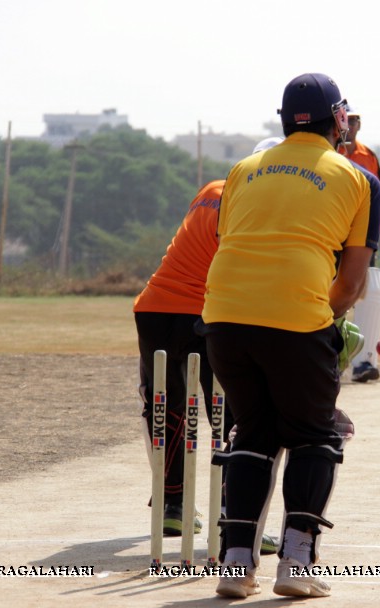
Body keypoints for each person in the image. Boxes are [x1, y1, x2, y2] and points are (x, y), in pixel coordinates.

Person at [202, 73, 380, 599]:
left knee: (253, 434)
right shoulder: (358, 178)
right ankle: (297, 563)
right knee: (315, 435)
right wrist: (325, 322)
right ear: (339, 120)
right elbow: (351, 283)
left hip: (224, 317)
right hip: (296, 318)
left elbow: (234, 245)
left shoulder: (241, 170)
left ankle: (237, 567)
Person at [132, 137, 284, 555]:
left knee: (165, 406)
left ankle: (174, 504)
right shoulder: (257, 204)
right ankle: (234, 518)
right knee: (236, 412)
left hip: (156, 307)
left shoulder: (211, 189)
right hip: (209, 312)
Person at [338, 104, 380, 383]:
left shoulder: (368, 157)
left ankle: (364, 362)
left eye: (353, 121)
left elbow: (376, 202)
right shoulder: (328, 152)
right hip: (333, 233)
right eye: (344, 121)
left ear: (359, 124)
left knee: (371, 290)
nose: (348, 126)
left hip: (362, 236)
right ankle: (331, 358)